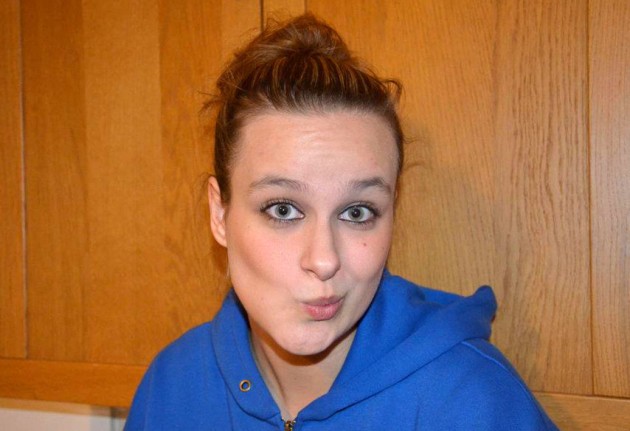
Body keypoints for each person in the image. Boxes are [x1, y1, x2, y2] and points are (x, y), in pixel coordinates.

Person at [125, 14, 558, 430]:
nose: (324, 260)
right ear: (220, 214)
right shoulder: (171, 388)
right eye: (283, 209)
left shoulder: (474, 402)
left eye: (357, 212)